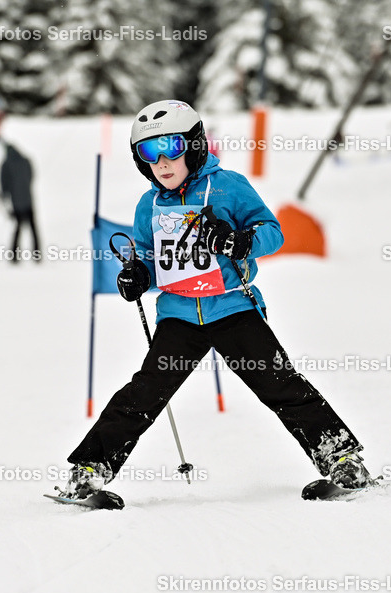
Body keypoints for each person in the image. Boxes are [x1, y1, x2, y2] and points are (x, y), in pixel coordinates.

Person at [57, 100, 373, 500]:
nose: (162, 162)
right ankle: (88, 470)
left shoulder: (228, 186)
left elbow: (272, 233)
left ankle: (342, 461)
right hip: (179, 317)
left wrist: (241, 242)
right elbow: (149, 257)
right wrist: (137, 275)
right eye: (148, 153)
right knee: (143, 394)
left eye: (170, 147)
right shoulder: (148, 205)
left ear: (194, 145)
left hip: (233, 308)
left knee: (281, 385)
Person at [0, 141, 40, 263]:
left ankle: (14, 255)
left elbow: (4, 182)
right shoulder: (26, 160)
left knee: (18, 228)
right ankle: (36, 254)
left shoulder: (6, 164)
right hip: (28, 199)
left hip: (16, 202)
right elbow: (31, 176)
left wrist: (5, 194)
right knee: (33, 228)